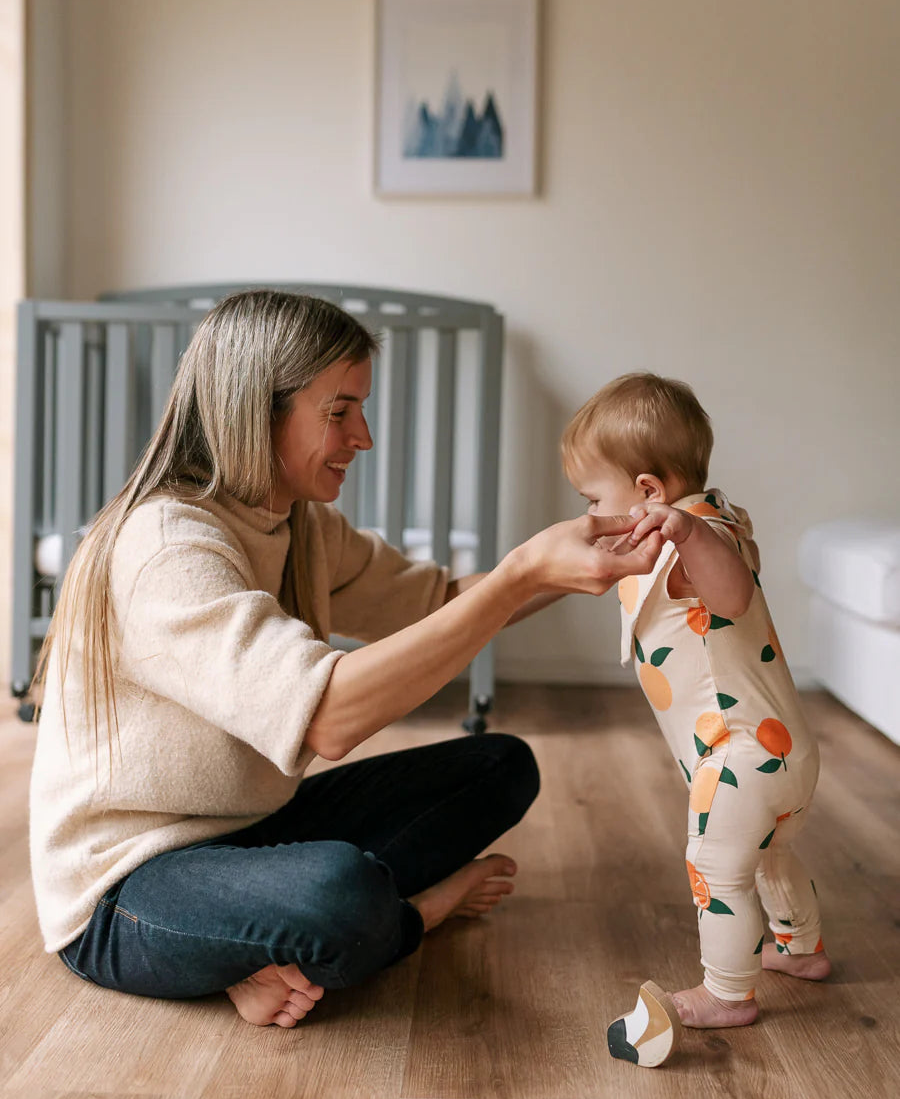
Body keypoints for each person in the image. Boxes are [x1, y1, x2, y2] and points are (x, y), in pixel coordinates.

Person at [29, 290, 664, 1030]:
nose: (361, 437)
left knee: (500, 766)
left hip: (249, 831)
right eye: (339, 412)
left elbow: (441, 603)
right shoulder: (167, 546)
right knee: (340, 894)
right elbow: (328, 718)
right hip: (126, 890)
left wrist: (599, 556)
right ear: (254, 409)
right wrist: (523, 571)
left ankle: (264, 950)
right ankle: (404, 918)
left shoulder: (299, 525)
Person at [561, 372, 830, 1038]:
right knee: (766, 857)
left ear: (649, 494)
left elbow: (733, 593)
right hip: (778, 754)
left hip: (740, 756)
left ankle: (726, 992)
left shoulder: (702, 538)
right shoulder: (702, 529)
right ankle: (800, 949)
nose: (591, 514)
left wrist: (686, 532)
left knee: (714, 865)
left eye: (596, 499)